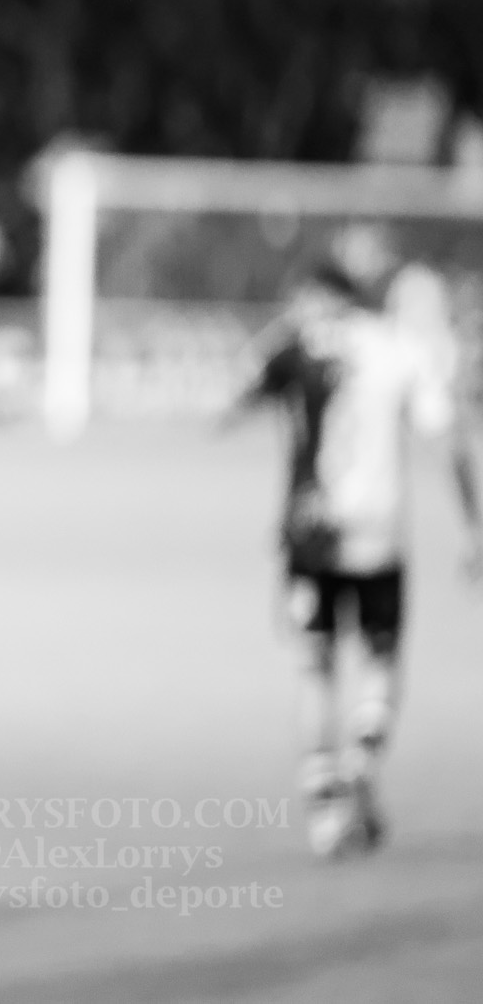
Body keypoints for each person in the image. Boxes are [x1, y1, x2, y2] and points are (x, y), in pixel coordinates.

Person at [224, 247, 483, 857]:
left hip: (311, 528)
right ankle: (362, 765)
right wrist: (473, 525)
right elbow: (447, 439)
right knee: (381, 655)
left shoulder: (297, 341)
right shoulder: (398, 347)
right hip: (380, 530)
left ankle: (324, 810)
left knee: (315, 665)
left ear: (313, 294)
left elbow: (238, 394)